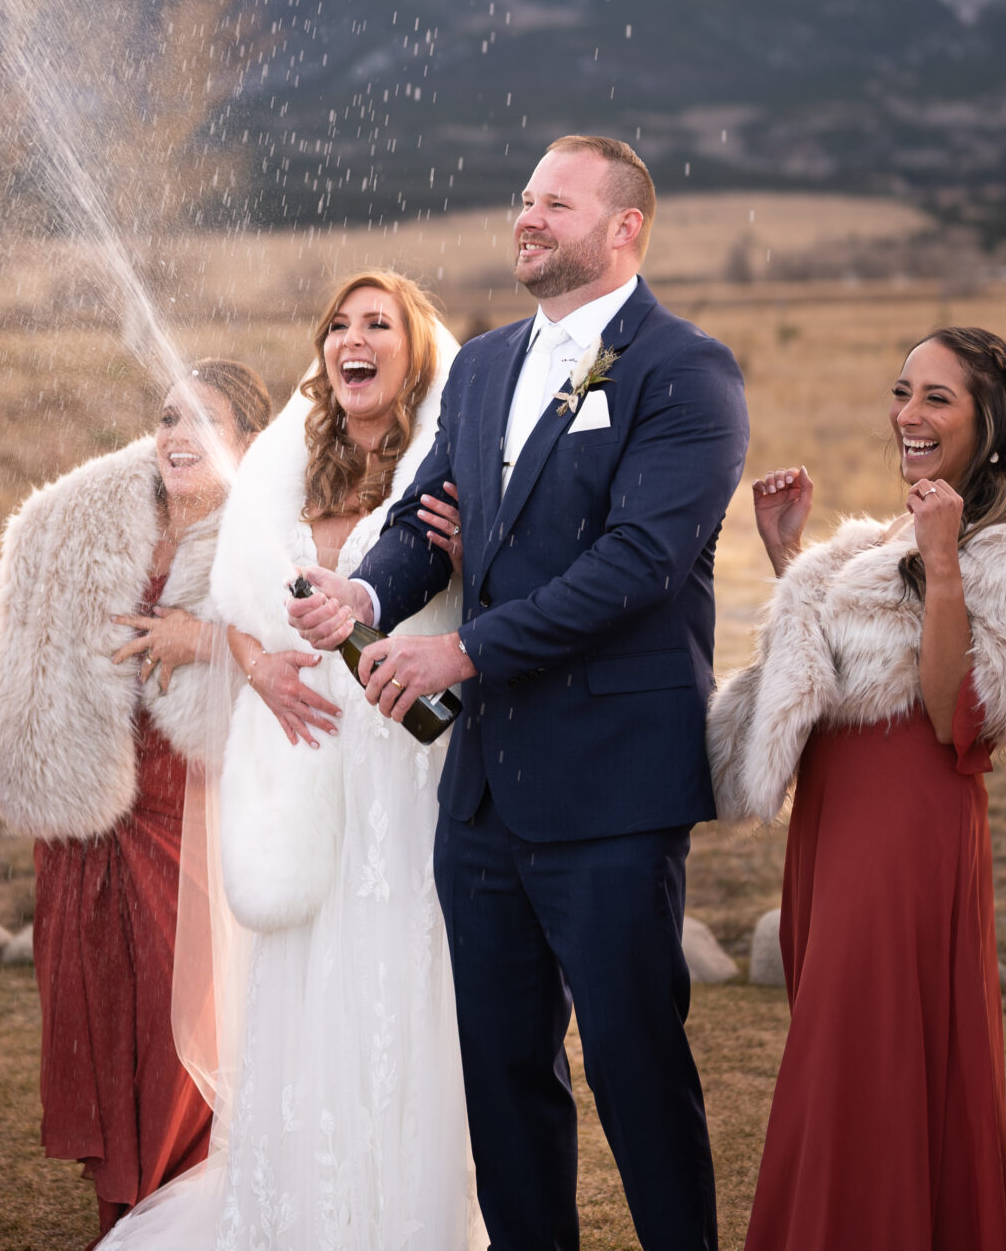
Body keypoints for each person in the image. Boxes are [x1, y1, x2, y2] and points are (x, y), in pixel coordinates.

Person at [289, 137, 750, 1251]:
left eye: (556, 201)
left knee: (637, 1072)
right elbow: (423, 518)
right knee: (502, 1076)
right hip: (485, 794)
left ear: (625, 225)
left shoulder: (683, 370)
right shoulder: (487, 364)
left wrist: (466, 652)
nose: (527, 216)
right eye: (524, 198)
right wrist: (365, 587)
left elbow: (639, 561)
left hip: (612, 788)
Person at [101, 271, 477, 1251]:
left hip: (405, 757)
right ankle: (295, 1211)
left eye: (377, 323)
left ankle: (400, 1213)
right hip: (301, 752)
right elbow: (236, 604)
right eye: (338, 325)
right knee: (302, 973)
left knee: (398, 969)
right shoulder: (284, 464)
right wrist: (259, 663)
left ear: (415, 349)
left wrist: (472, 552)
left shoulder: (449, 465)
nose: (352, 339)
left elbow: (482, 606)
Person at [710, 327, 1006, 1251]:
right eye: (902, 391)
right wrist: (790, 555)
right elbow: (833, 666)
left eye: (937, 398)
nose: (908, 415)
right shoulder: (883, 539)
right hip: (834, 822)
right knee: (841, 1051)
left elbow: (962, 709)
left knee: (864, 1050)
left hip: (904, 825)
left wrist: (947, 560)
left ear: (989, 423)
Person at [0, 360, 272, 1241]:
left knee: (180, 1029)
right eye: (169, 417)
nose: (180, 436)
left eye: (205, 421)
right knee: (96, 1023)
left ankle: (179, 1215)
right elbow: (28, 622)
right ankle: (121, 1220)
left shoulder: (266, 537)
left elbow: (314, 648)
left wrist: (206, 637)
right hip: (89, 809)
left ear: (249, 443)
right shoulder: (88, 524)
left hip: (189, 806)